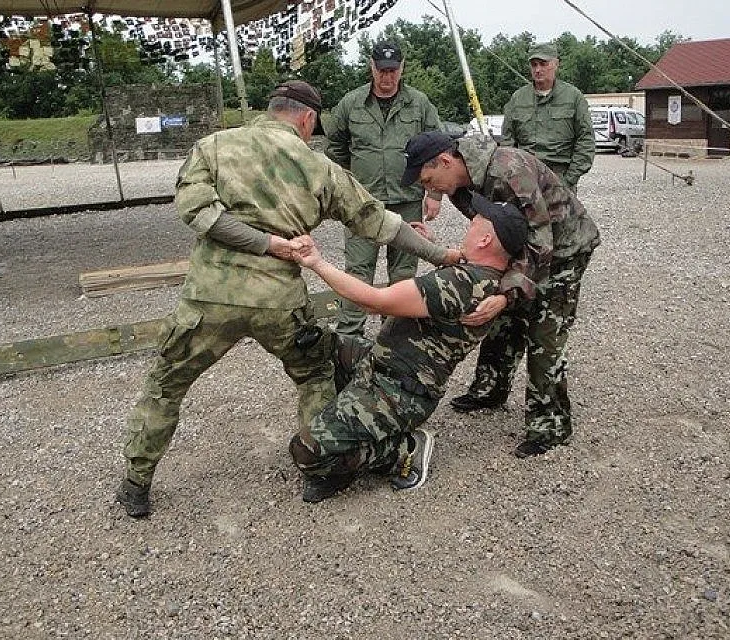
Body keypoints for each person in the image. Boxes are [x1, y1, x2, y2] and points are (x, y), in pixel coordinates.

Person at [115, 81, 459, 518]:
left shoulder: (213, 147)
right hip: (281, 302)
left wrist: (260, 242)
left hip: (209, 298)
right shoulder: (318, 166)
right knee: (314, 373)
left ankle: (136, 485)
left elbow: (197, 213)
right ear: (308, 118)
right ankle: (322, 472)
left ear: (272, 109)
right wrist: (441, 255)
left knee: (166, 385)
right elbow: (381, 224)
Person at [287, 195, 529, 503]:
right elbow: (457, 275)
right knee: (317, 345)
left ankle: (404, 450)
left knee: (306, 452)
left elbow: (373, 301)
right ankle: (351, 421)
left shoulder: (459, 283)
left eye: (475, 223)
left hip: (399, 391)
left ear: (484, 240)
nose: (469, 225)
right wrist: (432, 244)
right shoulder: (491, 280)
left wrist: (317, 263)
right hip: (386, 364)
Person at [401, 131, 600, 458]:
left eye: (428, 180)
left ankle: (550, 426)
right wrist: (442, 250)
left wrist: (507, 294)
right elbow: (492, 233)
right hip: (525, 248)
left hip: (564, 251)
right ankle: (490, 389)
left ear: (446, 161)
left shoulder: (509, 172)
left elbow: (540, 242)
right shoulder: (460, 186)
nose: (429, 189)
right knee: (503, 321)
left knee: (544, 333)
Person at [325, 40, 443, 336]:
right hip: (362, 204)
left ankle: (395, 335)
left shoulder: (419, 103)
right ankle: (350, 338)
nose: (387, 77)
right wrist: (352, 178)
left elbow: (438, 147)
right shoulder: (351, 103)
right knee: (357, 271)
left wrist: (435, 194)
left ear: (402, 68)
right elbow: (334, 145)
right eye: (381, 70)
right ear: (371, 67)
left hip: (407, 200)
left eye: (392, 70)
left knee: (403, 273)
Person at [501, 42, 595, 192]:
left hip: (561, 176)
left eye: (543, 64)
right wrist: (514, 176)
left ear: (556, 64)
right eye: (534, 65)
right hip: (526, 178)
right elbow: (507, 141)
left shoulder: (573, 97)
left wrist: (569, 179)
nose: (538, 70)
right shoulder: (518, 99)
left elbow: (586, 140)